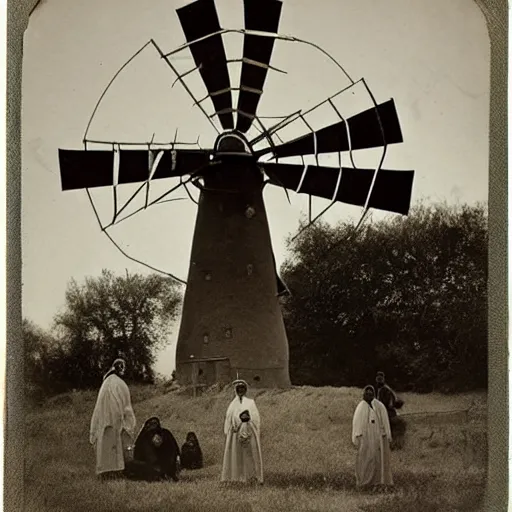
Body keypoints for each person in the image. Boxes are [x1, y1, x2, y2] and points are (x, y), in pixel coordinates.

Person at [89, 358, 136, 479]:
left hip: (104, 419)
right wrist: (129, 423)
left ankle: (105, 472)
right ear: (121, 369)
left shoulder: (105, 384)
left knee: (105, 443)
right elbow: (127, 407)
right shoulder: (121, 384)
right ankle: (117, 471)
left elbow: (98, 408)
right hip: (116, 419)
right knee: (116, 443)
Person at [221, 379, 263, 484]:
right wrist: (235, 425)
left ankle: (251, 476)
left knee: (248, 454)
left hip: (248, 431)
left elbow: (255, 417)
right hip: (235, 433)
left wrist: (247, 420)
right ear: (235, 390)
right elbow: (229, 418)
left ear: (245, 390)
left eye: (243, 388)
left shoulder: (250, 402)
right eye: (238, 389)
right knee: (237, 454)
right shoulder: (232, 405)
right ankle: (236, 476)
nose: (240, 390)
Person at [352, 385, 393, 489]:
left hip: (376, 437)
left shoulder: (378, 406)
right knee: (364, 459)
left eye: (371, 394)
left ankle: (377, 482)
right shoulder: (361, 407)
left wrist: (386, 434)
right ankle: (363, 482)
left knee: (377, 458)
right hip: (365, 437)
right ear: (364, 394)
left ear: (374, 395)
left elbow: (384, 421)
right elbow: (357, 424)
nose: (369, 395)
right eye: (367, 393)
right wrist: (358, 437)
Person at [125, 417, 181, 482]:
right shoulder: (146, 437)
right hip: (160, 468)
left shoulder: (164, 434)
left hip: (158, 467)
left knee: (130, 465)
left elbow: (175, 452)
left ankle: (160, 474)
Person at [375, 372, 406, 449]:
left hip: (388, 413)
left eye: (380, 378)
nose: (379, 380)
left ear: (383, 379)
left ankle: (392, 445)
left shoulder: (386, 390)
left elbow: (389, 404)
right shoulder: (380, 389)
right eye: (378, 378)